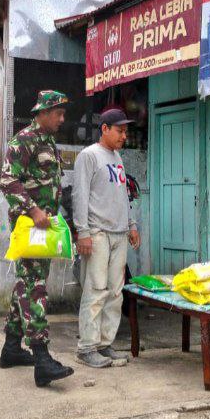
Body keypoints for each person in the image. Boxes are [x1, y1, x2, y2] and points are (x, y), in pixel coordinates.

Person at [0, 90, 75, 387]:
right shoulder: (23, 140)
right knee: (35, 286)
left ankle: (11, 348)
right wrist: (32, 209)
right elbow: (8, 180)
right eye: (58, 113)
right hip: (30, 226)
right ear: (42, 113)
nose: (62, 119)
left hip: (44, 226)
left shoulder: (48, 142)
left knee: (27, 282)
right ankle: (42, 358)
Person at [72, 108, 140, 368]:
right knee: (95, 290)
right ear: (105, 129)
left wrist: (131, 225)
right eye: (119, 131)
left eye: (125, 131)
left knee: (115, 293)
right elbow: (80, 195)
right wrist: (83, 232)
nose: (124, 136)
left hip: (119, 233)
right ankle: (87, 348)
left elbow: (122, 195)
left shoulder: (117, 157)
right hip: (98, 233)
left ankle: (104, 344)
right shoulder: (89, 156)